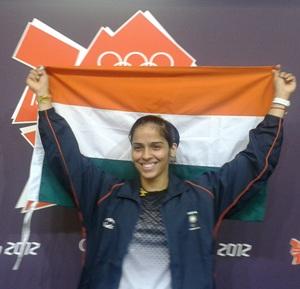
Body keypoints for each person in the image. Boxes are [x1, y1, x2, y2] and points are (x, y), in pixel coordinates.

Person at [26, 66, 296, 289]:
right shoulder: (103, 194)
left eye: (156, 146)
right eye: (138, 147)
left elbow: (255, 164)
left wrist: (280, 101)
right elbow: (64, 157)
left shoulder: (204, 194)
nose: (146, 155)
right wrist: (44, 98)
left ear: (172, 150)